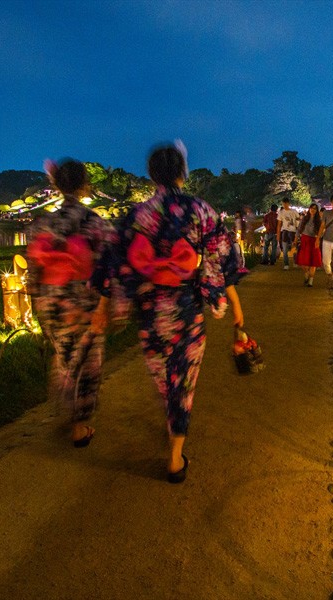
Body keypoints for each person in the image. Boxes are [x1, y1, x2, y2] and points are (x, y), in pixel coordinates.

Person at [110, 143, 246, 484]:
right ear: (183, 172)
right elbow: (220, 255)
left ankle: (172, 420)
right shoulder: (200, 210)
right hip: (186, 312)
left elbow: (119, 261)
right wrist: (218, 297)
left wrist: (120, 304)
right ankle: (174, 456)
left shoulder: (138, 215)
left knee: (163, 379)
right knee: (183, 382)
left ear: (152, 174)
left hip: (151, 313)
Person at [26, 158, 117, 448]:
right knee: (88, 361)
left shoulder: (42, 224)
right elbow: (109, 269)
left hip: (52, 301)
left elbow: (33, 272)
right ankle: (79, 426)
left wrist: (37, 301)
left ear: (56, 185)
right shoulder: (97, 224)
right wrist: (108, 306)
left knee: (64, 354)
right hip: (85, 302)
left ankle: (65, 405)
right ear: (85, 185)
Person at [295, 202, 323, 286]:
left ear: (317, 210)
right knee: (303, 261)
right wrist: (295, 239)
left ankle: (311, 280)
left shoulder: (319, 220)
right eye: (311, 208)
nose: (313, 210)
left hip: (314, 241)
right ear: (309, 209)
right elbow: (299, 229)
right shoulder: (305, 218)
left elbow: (321, 232)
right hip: (305, 240)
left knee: (313, 261)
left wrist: (318, 238)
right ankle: (306, 273)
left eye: (315, 208)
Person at [276, 197, 300, 271]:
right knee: (285, 248)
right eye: (283, 204)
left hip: (293, 231)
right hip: (285, 231)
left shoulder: (294, 211)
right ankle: (286, 264)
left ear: (289, 204)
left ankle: (295, 261)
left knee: (294, 247)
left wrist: (298, 231)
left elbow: (298, 220)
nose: (285, 205)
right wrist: (278, 234)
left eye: (286, 204)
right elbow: (279, 224)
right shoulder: (281, 212)